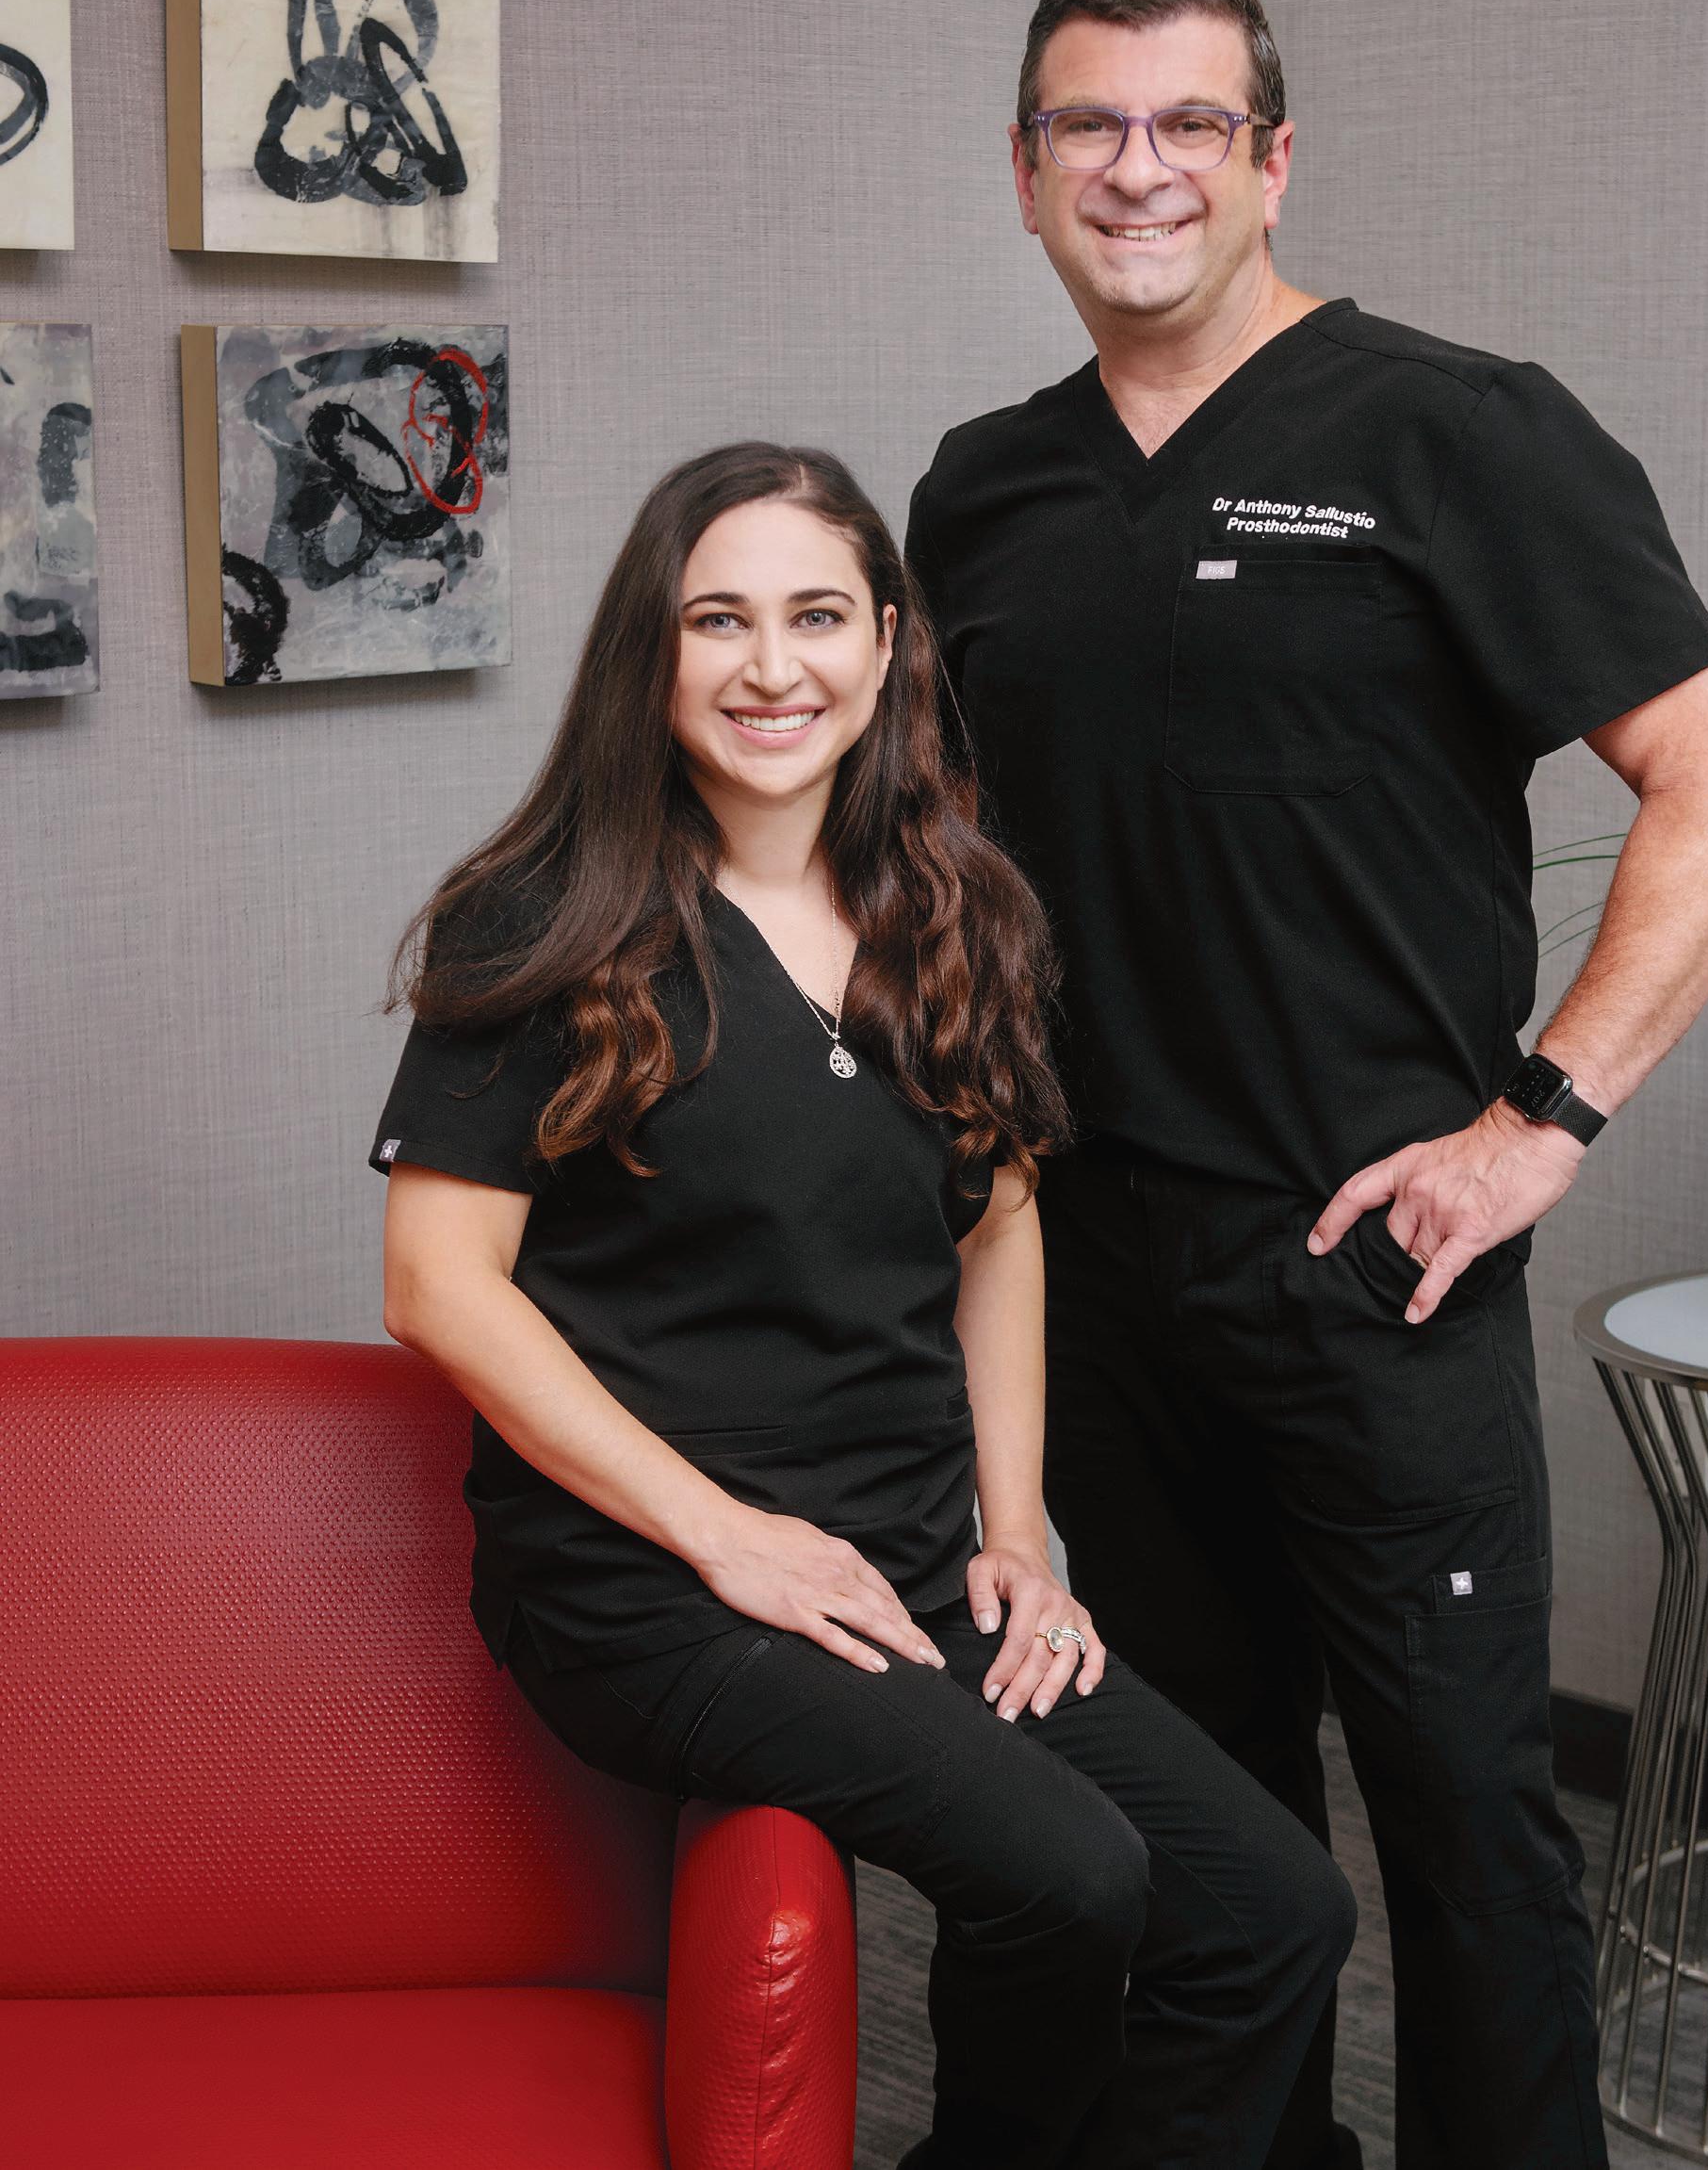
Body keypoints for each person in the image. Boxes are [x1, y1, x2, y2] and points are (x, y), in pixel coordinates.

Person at [904, 0, 1708, 2170]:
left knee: (1465, 1829)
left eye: (1189, 123)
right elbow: (952, 853)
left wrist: (1542, 1121)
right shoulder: (981, 491)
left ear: (1272, 159)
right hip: (1090, 1265)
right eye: (1088, 125)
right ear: (1021, 170)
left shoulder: (1454, 429)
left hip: (1372, 1260)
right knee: (1199, 1828)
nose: (1138, 169)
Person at [370, 441, 1356, 2170]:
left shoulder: (954, 907)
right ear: (651, 648)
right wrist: (727, 1538)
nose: (773, 667)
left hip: (906, 1557)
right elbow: (438, 1289)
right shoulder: (543, 919)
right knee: (1072, 1875)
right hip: (653, 1585)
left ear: (889, 640)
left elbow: (1001, 1223)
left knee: (1275, 1911)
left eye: (819, 616)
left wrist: (1019, 1532)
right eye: (719, 621)